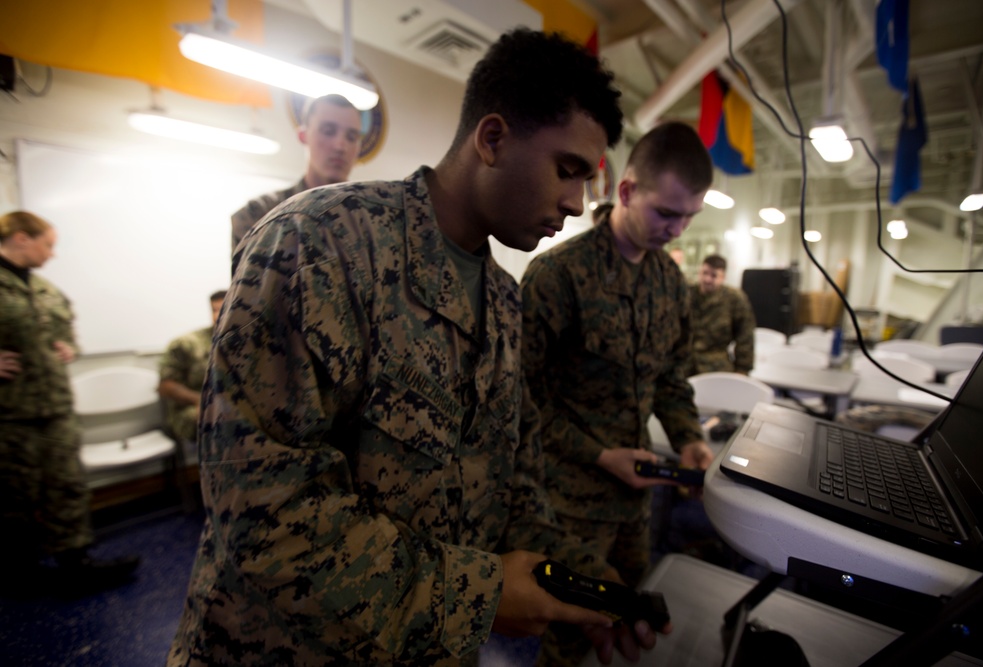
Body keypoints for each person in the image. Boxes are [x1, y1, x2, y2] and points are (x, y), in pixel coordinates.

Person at [169, 29, 667, 666]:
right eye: (566, 170)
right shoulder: (317, 243)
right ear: (492, 139)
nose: (576, 203)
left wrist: (580, 585)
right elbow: (263, 510)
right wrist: (479, 596)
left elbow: (511, 489)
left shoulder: (503, 301)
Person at [520, 121, 716, 667]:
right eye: (666, 213)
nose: (677, 231)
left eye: (689, 217)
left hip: (636, 502)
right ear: (626, 192)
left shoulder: (669, 284)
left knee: (623, 627)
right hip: (564, 505)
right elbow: (517, 404)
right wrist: (598, 455)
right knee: (557, 640)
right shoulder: (557, 276)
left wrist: (690, 438)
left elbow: (672, 379)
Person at [0, 210, 139, 592]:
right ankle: (20, 569)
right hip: (9, 414)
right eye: (48, 244)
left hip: (55, 406)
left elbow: (68, 334)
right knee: (14, 493)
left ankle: (75, 560)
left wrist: (69, 348)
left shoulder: (45, 290)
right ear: (21, 238)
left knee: (68, 484)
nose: (52, 254)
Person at [230, 93, 362, 253]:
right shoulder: (259, 216)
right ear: (303, 136)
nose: (341, 146)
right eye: (328, 131)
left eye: (351, 137)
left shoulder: (366, 220)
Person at [157, 290, 226, 443]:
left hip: (232, 404)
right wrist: (200, 400)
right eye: (214, 310)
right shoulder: (187, 344)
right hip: (195, 407)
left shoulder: (246, 342)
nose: (217, 316)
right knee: (223, 416)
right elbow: (166, 386)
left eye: (224, 310)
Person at [688, 254, 756, 375]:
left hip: (716, 366)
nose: (707, 279)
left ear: (723, 277)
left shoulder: (734, 299)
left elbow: (745, 337)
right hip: (685, 364)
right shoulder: (688, 294)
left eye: (713, 275)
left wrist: (743, 370)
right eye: (704, 273)